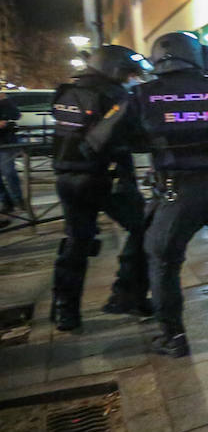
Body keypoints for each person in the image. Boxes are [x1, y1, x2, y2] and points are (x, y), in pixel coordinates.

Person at [85, 31, 208, 357]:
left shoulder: (142, 95)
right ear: (194, 55)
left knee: (163, 262)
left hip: (176, 193)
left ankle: (173, 337)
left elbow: (97, 141)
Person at [48, 46, 153, 330]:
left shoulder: (67, 92)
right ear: (115, 69)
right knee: (146, 228)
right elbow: (139, 138)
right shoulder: (114, 96)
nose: (132, 78)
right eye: (129, 73)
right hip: (106, 179)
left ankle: (64, 309)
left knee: (76, 242)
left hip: (67, 178)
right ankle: (128, 294)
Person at [0, 90, 23, 215]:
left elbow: (16, 115)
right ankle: (6, 202)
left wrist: (4, 101)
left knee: (9, 172)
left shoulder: (5, 102)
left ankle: (17, 199)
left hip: (5, 142)